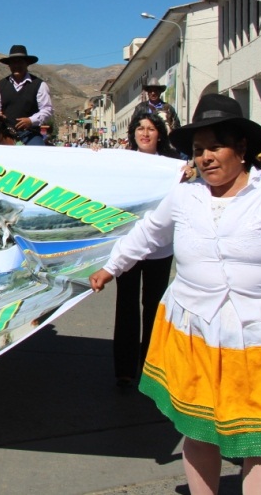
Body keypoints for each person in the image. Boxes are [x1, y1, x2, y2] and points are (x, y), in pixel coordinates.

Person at [89, 93, 261, 495]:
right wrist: (112, 267)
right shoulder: (185, 196)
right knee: (198, 432)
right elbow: (148, 233)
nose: (206, 158)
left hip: (259, 340)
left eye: (216, 146)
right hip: (191, 333)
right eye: (198, 150)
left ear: (242, 148)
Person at [109, 112, 183, 389]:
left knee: (154, 307)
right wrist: (94, 155)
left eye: (151, 129)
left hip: (160, 249)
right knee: (126, 306)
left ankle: (151, 368)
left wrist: (187, 173)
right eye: (140, 128)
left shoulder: (173, 165)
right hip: (128, 246)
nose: (145, 133)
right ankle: (125, 370)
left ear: (159, 134)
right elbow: (96, 172)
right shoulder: (121, 160)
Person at [0, 44, 52, 145]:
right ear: (9, 66)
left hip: (30, 134)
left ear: (27, 64)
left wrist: (31, 120)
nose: (16, 66)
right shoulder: (0, 85)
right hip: (5, 133)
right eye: (13, 63)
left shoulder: (39, 85)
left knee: (39, 154)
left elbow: (47, 110)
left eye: (20, 62)